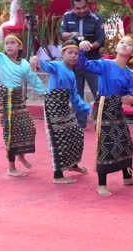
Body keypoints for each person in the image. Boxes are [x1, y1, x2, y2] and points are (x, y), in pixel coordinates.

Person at [79, 36, 133, 196]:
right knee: (105, 143)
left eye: (129, 44)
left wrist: (132, 101)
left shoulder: (129, 74)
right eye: (122, 42)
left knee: (125, 141)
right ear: (117, 47)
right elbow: (84, 65)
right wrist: (81, 49)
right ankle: (101, 184)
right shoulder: (105, 64)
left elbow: (129, 96)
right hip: (103, 106)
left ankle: (127, 177)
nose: (124, 45)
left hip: (117, 108)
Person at [0, 33, 46, 177]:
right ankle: (11, 168)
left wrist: (45, 94)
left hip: (18, 98)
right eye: (7, 43)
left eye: (12, 43)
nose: (9, 45)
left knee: (28, 128)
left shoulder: (24, 64)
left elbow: (33, 79)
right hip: (6, 97)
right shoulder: (0, 58)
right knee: (10, 132)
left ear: (20, 46)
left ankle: (21, 155)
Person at [30, 39, 91, 184]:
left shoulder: (72, 73)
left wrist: (87, 110)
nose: (73, 56)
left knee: (76, 133)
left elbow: (75, 96)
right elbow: (44, 65)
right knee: (58, 139)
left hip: (64, 106)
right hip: (53, 106)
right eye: (70, 52)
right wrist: (35, 59)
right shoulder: (56, 66)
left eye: (76, 53)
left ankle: (73, 165)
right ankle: (58, 175)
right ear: (62, 54)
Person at [60, 0, 106, 128]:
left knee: (99, 91)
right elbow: (62, 34)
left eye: (84, 7)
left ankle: (101, 121)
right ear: (72, 7)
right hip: (73, 63)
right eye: (77, 8)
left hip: (92, 61)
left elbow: (101, 40)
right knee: (76, 93)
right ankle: (80, 124)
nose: (81, 10)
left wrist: (88, 47)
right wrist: (71, 35)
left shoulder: (97, 18)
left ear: (88, 5)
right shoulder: (67, 16)